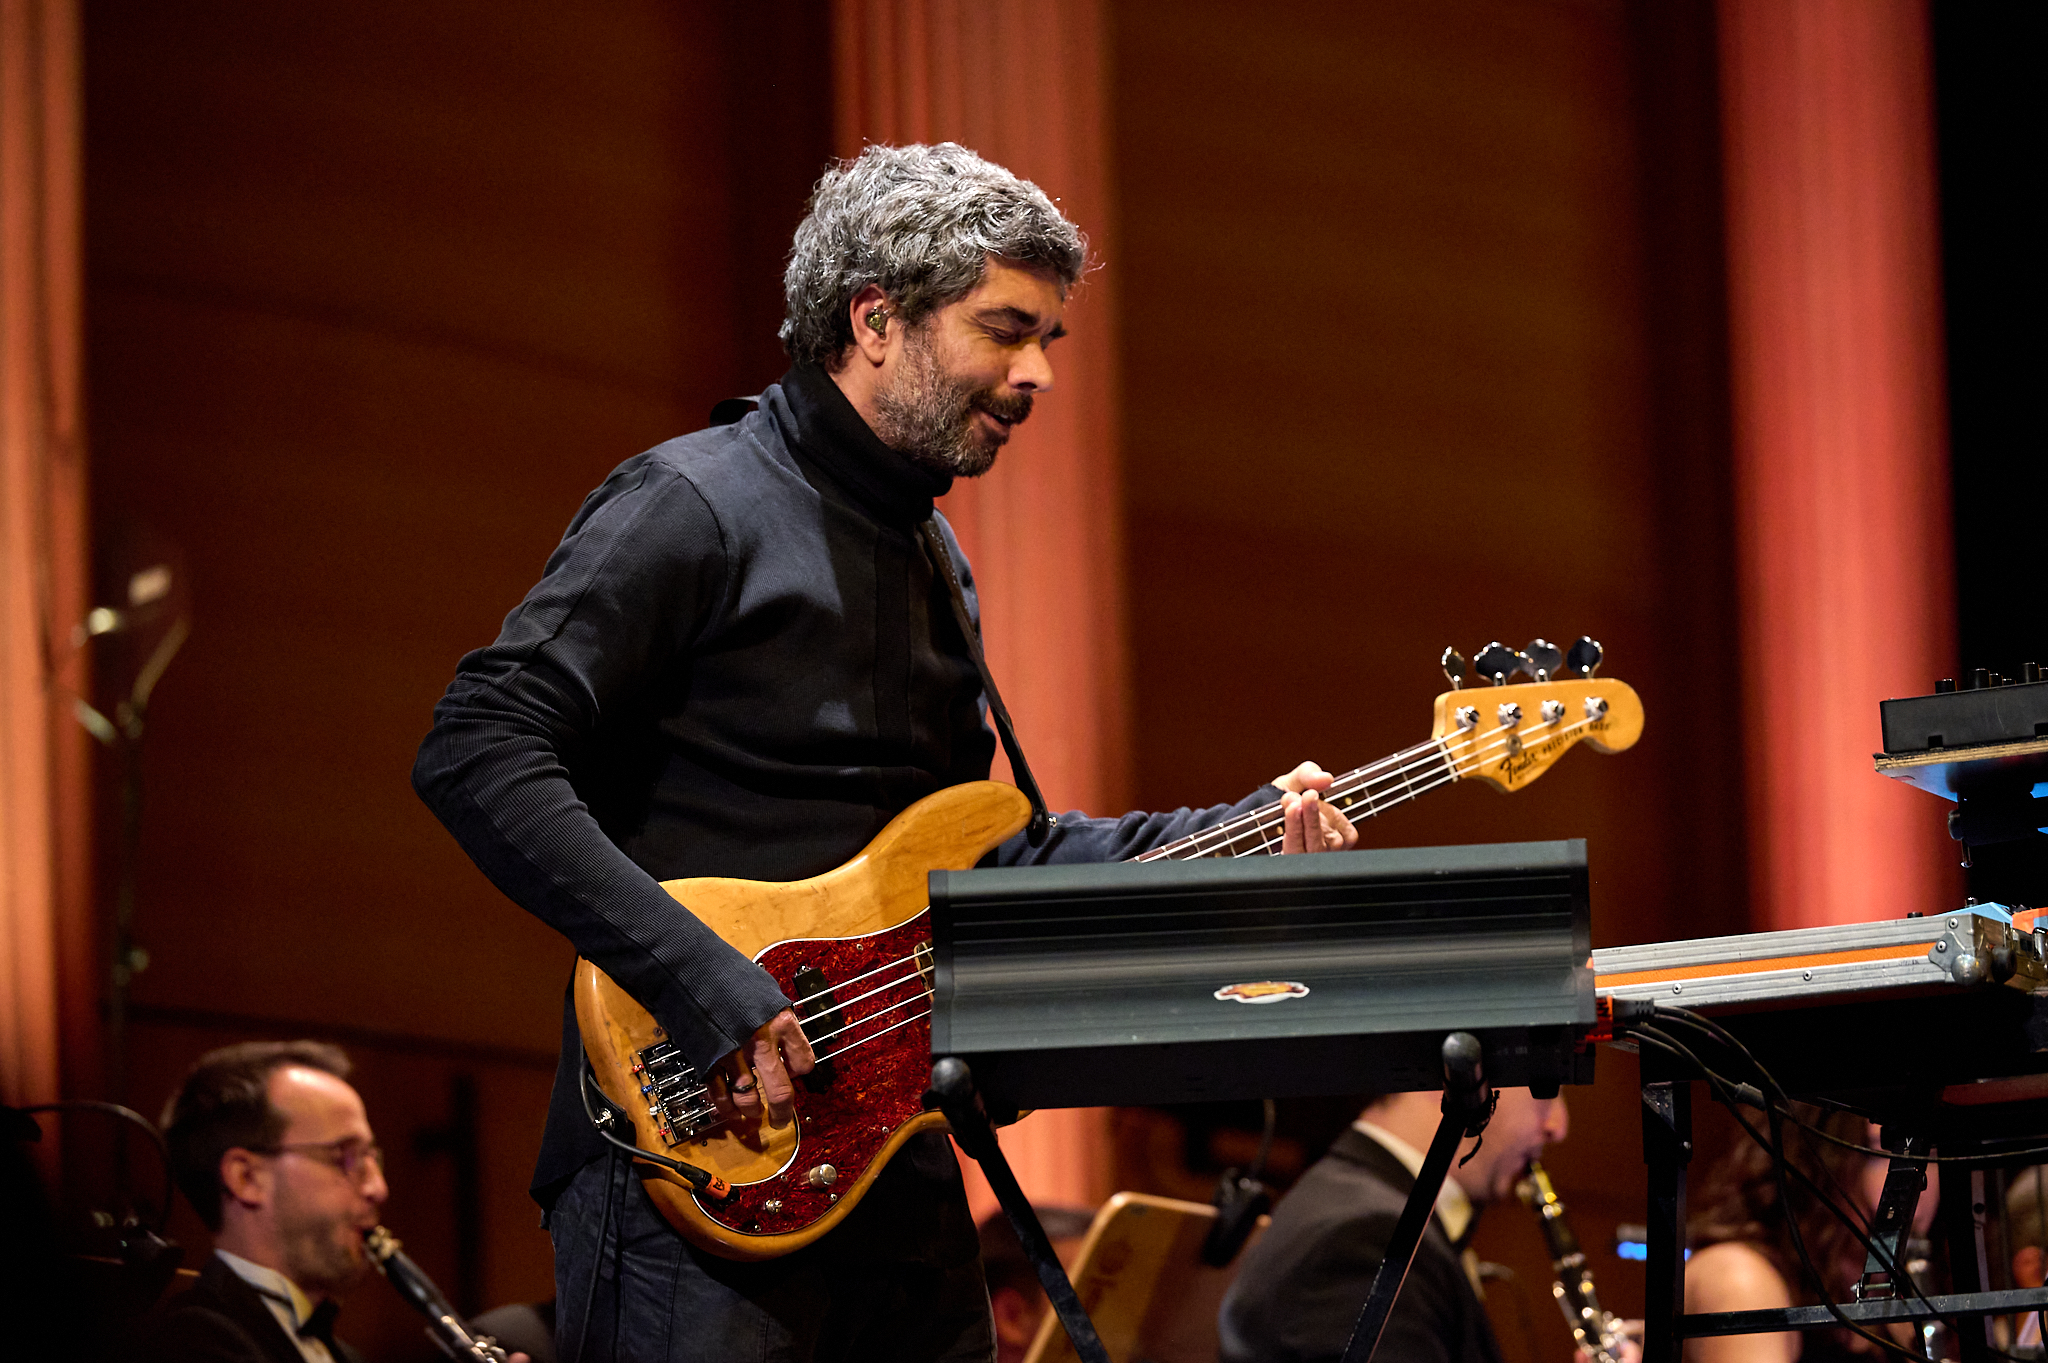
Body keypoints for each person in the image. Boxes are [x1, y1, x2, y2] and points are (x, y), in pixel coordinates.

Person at [411, 140, 1358, 1363]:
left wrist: (1236, 831)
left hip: (889, 1160)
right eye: (1003, 331)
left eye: (1046, 341)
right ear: (873, 320)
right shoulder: (689, 503)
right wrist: (699, 980)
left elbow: (985, 855)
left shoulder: (933, 560)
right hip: (694, 1152)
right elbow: (477, 743)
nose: (1035, 374)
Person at [1216, 1087, 1570, 1363]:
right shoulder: (1367, 1238)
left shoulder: (1363, 1209)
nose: (1558, 1126)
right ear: (1455, 1072)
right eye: (1545, 1089)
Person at [139, 1042, 387, 1363]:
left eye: (371, 1158)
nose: (378, 1188)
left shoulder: (346, 1355)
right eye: (346, 1157)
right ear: (246, 1177)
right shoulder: (192, 1344)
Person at [1684, 1103, 1939, 1363]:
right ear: (1814, 1158)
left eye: (1926, 1154)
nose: (1915, 1183)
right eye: (1879, 1152)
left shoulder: (1893, 1287)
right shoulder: (1739, 1278)